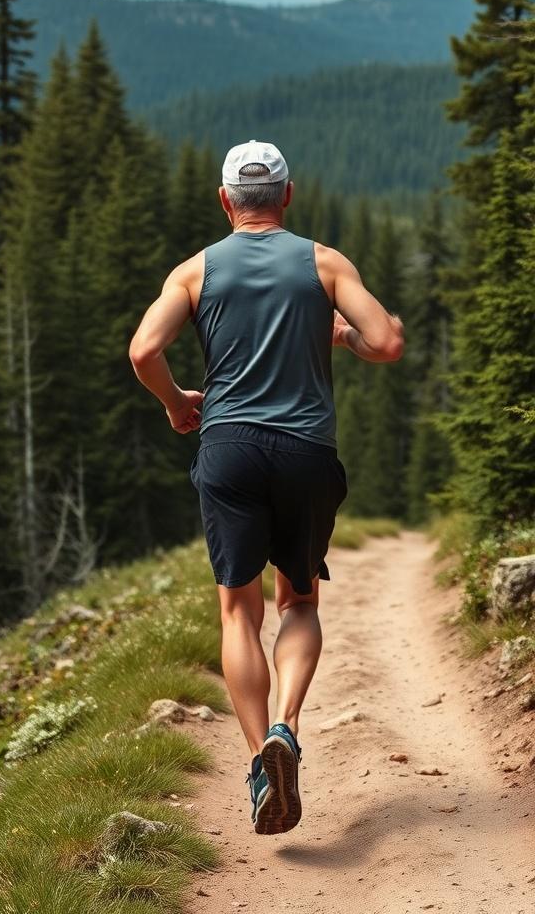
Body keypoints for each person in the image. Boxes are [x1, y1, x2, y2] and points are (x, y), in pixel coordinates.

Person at [129, 139, 404, 835]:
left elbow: (142, 350)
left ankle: (260, 761)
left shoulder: (194, 272)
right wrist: (343, 337)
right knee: (299, 601)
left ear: (225, 201)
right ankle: (286, 726)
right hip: (307, 451)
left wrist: (175, 404)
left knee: (237, 613)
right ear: (286, 196)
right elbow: (387, 341)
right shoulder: (323, 261)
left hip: (229, 448)